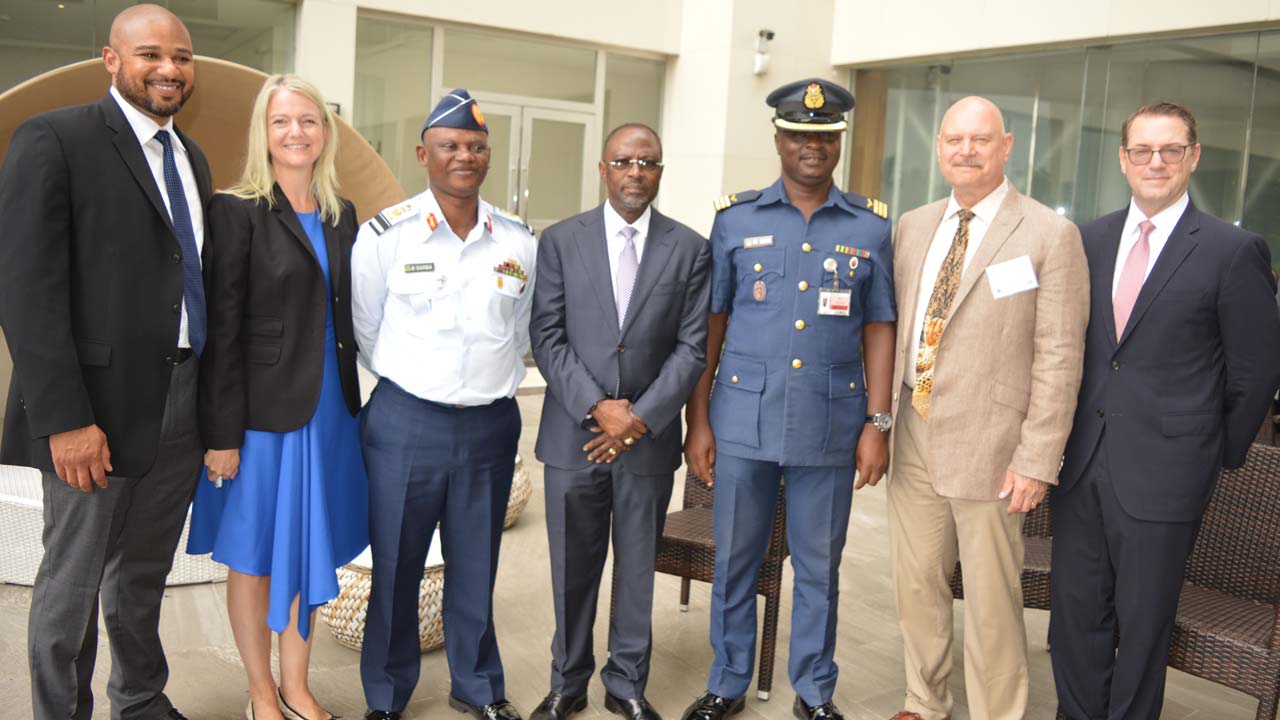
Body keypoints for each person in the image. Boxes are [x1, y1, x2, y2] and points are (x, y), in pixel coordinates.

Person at [0, 6, 210, 718]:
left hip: (181, 399)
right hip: (94, 412)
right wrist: (64, 420)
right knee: (73, 584)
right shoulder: (55, 139)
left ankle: (140, 699)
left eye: (181, 57)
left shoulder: (191, 157)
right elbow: (26, 290)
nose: (169, 68)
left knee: (143, 573)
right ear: (111, 60)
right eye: (151, 53)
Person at [1051, 101, 1280, 720]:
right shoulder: (1088, 240)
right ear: (1123, 160)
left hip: (1168, 475)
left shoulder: (1232, 250)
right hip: (1081, 465)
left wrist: (1212, 451)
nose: (1156, 162)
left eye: (1171, 150)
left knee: (1144, 627)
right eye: (1142, 150)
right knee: (1075, 618)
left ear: (1193, 157)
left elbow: (1256, 370)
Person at [679, 78, 896, 720]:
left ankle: (814, 691)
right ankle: (727, 682)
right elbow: (712, 324)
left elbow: (879, 326)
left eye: (824, 137)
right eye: (799, 135)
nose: (812, 147)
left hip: (830, 425)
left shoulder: (870, 227)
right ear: (778, 140)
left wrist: (878, 423)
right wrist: (698, 420)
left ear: (838, 144)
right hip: (742, 421)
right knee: (735, 560)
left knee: (819, 568)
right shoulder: (735, 219)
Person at [881, 96, 1088, 720]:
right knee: (917, 582)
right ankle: (925, 700)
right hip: (912, 430)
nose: (966, 150)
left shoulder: (1049, 234)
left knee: (993, 600)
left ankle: (999, 712)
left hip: (994, 448)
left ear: (1006, 146)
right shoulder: (912, 226)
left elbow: (1059, 356)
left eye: (980, 139)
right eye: (954, 139)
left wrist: (1037, 459)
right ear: (939, 148)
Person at [186, 74, 368, 720]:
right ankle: (261, 692)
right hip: (261, 419)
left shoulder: (343, 214)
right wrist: (221, 435)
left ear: (326, 133)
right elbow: (221, 332)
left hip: (330, 413)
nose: (296, 132)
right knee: (256, 557)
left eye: (309, 120)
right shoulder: (235, 210)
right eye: (282, 121)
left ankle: (297, 686)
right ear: (263, 132)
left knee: (307, 547)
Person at [351, 89, 533, 720]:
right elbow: (366, 327)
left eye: (476, 146)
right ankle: (386, 695)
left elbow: (522, 332)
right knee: (396, 565)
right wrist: (417, 381)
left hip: (489, 425)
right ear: (423, 154)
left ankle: (477, 686)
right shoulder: (386, 235)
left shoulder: (517, 239)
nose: (464, 156)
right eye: (450, 145)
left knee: (476, 563)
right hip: (407, 422)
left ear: (488, 157)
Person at [529, 123, 710, 720]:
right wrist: (597, 408)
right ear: (603, 169)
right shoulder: (561, 240)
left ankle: (626, 683)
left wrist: (639, 418)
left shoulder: (690, 248)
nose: (637, 172)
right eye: (625, 161)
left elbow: (692, 348)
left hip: (646, 443)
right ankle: (567, 682)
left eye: (648, 162)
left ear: (660, 172)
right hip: (573, 438)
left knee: (637, 571)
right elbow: (546, 335)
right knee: (571, 570)